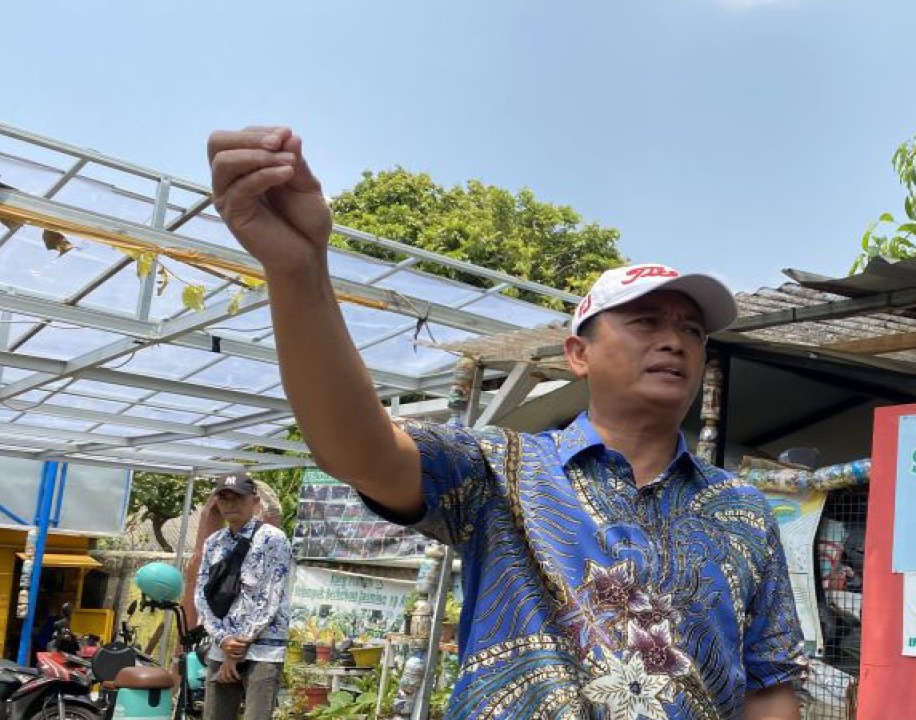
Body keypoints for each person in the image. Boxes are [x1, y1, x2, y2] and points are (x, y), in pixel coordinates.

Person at [207, 126, 806, 719]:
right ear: (579, 354)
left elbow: (769, 685)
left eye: (692, 331)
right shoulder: (503, 469)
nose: (674, 342)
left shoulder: (741, 510)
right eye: (646, 322)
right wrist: (298, 270)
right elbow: (357, 450)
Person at [193, 472, 292, 720]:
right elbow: (202, 595)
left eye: (237, 497)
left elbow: (270, 597)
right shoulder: (214, 542)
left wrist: (238, 646)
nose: (230, 503)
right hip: (221, 646)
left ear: (254, 502)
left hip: (262, 648)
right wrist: (223, 639)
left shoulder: (272, 539)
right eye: (224, 498)